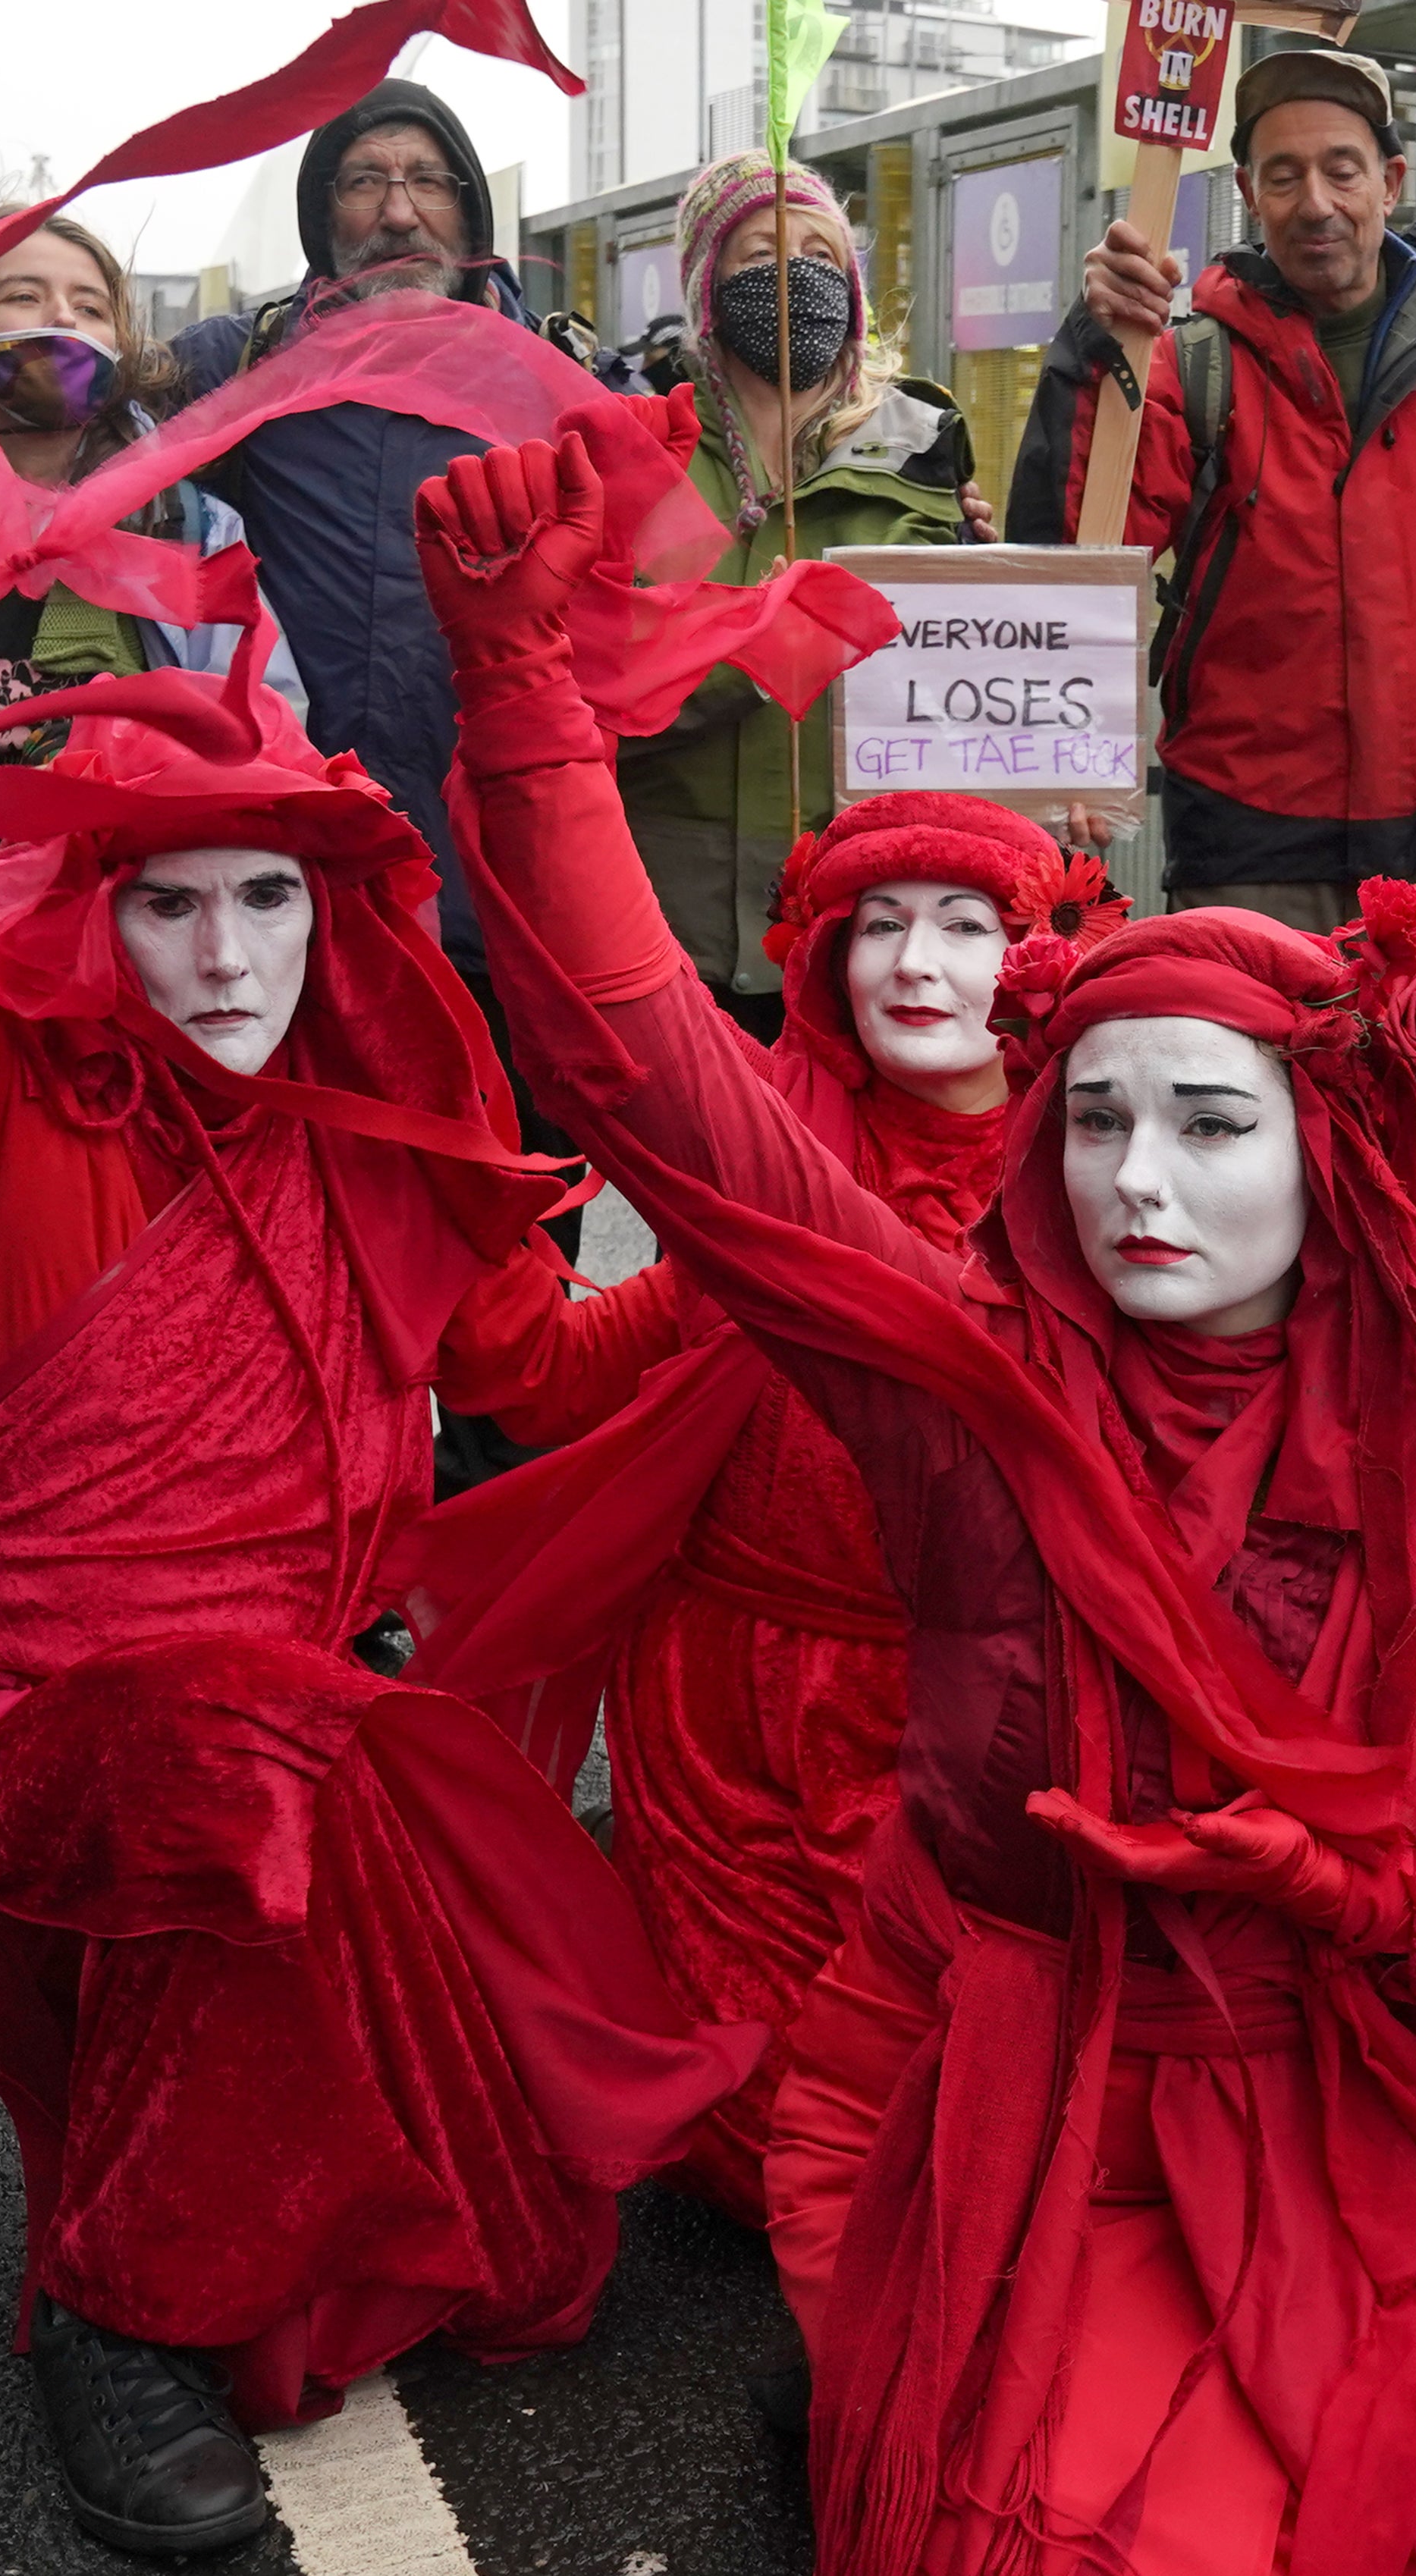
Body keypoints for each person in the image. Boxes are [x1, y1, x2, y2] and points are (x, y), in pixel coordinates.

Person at [416, 424, 1416, 2576]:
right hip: (999, 2058)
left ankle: (903, 2396)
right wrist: (523, 699)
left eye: (1209, 1128)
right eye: (1097, 1131)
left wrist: (1353, 1903)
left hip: (1333, 2107)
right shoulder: (961, 1387)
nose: (1140, 1185)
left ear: (1330, 1162)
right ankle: (896, 2375)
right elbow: (652, 1075)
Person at [0, 290, 741, 2559]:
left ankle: (193, 2181)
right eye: (176, 901)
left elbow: (533, 1376)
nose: (233, 949)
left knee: (523, 2245)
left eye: (270, 895)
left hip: (300, 1752)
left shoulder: (371, 1139)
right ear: (89, 909)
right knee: (217, 1757)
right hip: (49, 1753)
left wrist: (777, 1277)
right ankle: (112, 2310)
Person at [395, 789, 1121, 2258]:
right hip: (726, 1712)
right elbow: (544, 1378)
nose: (916, 962)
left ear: (1038, 957)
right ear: (823, 957)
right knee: (765, 2146)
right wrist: (466, 1187)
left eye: (967, 925)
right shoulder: (758, 1173)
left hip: (984, 1719)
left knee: (973, 2139)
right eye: (882, 925)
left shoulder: (1118, 1175)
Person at [174, 76, 619, 1479]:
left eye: (427, 180)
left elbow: (656, 564)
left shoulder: (547, 378)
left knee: (511, 1223)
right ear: (321, 214)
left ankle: (496, 1535)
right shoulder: (237, 374)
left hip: (505, 889)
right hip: (312, 892)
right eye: (366, 180)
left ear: (472, 212)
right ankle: (344, 1530)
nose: (397, 208)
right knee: (320, 1222)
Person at [1004, 45, 1416, 942]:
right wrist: (1098, 344)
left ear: (1389, 180)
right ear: (1249, 192)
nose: (1316, 202)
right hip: (1251, 850)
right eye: (1284, 177)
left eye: (1341, 170)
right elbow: (1076, 547)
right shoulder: (1191, 362)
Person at [617, 154, 993, 1031]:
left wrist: (1055, 779)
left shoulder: (923, 445)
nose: (794, 280)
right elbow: (597, 695)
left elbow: (972, 671)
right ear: (707, 288)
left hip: (871, 936)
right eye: (757, 258)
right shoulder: (642, 454)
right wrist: (760, 651)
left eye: (821, 258)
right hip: (674, 938)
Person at [0, 212, 277, 927]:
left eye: (90, 307)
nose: (61, 319)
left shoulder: (183, 528)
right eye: (23, 296)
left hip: (101, 944)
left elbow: (263, 725)